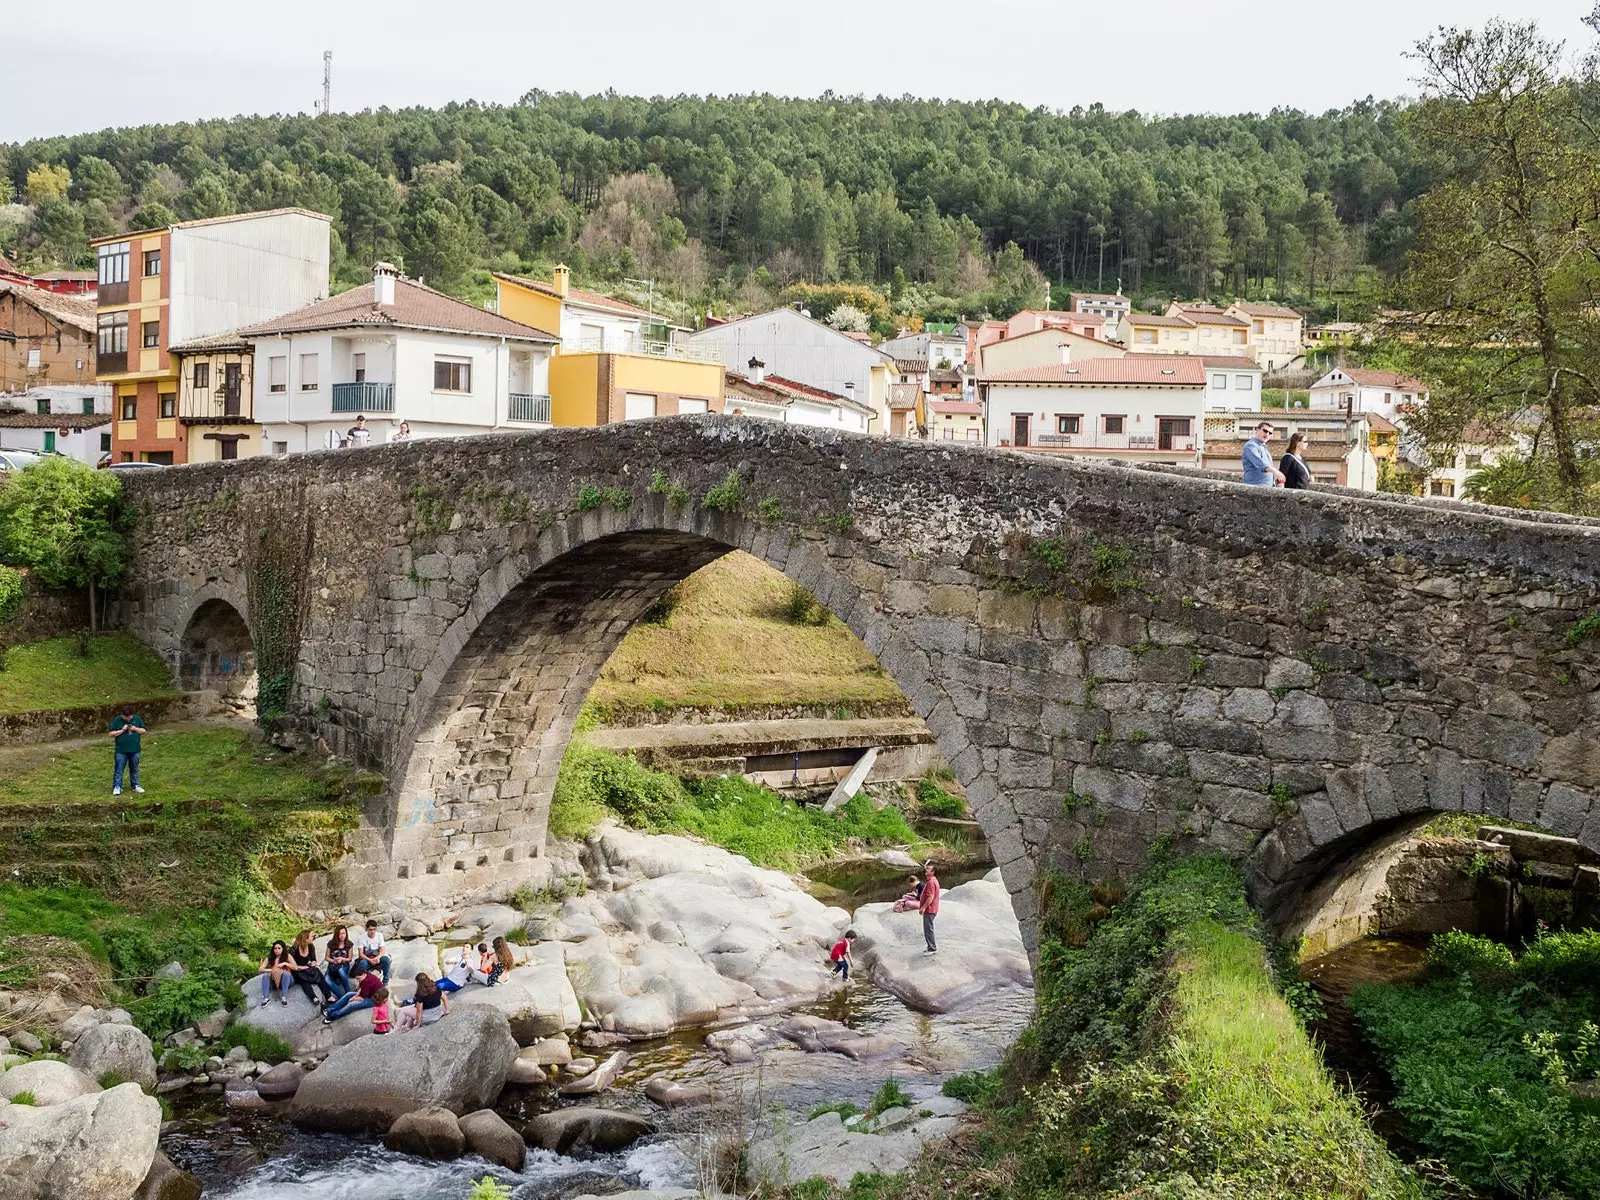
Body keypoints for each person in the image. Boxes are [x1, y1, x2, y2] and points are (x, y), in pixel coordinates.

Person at [288, 929, 337, 1006]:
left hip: (307, 967)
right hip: (297, 969)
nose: (313, 938)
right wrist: (302, 967)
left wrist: (313, 963)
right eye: (311, 936)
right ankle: (313, 997)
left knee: (319, 974)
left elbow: (313, 959)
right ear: (305, 938)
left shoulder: (311, 946)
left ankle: (328, 996)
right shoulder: (294, 949)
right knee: (303, 980)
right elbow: (291, 964)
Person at [108, 705, 148, 796]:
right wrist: (122, 730)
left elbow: (143, 731)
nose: (127, 718)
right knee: (119, 769)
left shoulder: (137, 719)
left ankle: (136, 785)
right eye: (125, 717)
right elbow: (110, 734)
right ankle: (117, 786)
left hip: (135, 749)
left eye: (129, 716)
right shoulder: (117, 720)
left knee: (134, 768)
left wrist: (134, 729)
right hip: (121, 750)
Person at [1241, 421, 1285, 487]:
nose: (1267, 434)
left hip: (1268, 487)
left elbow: (1268, 469)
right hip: (1255, 486)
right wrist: (1276, 472)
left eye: (1270, 433)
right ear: (1257, 430)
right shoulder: (1251, 446)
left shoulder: (1264, 448)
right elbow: (1260, 463)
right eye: (1265, 431)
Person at [259, 940, 294, 1006]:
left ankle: (283, 997)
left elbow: (295, 967)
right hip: (275, 980)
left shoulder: (287, 956)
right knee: (265, 975)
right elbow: (260, 969)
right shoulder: (269, 957)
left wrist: (285, 963)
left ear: (283, 949)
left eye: (279, 948)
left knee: (286, 974)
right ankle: (266, 998)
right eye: (275, 948)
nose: (276, 950)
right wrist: (271, 970)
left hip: (287, 980)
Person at [324, 925, 355, 996]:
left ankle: (348, 992)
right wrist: (333, 961)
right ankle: (341, 997)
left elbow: (349, 959)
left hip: (344, 966)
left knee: (340, 970)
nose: (342, 936)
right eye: (340, 934)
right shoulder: (331, 943)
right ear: (336, 934)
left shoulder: (349, 944)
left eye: (344, 933)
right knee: (326, 979)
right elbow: (326, 957)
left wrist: (342, 959)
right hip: (332, 966)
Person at [919, 863, 941, 955]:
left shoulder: (931, 882)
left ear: (933, 872)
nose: (926, 870)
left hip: (930, 910)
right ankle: (930, 947)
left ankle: (932, 948)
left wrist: (923, 908)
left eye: (928, 869)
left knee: (928, 929)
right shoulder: (931, 881)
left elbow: (930, 897)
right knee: (928, 928)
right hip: (931, 909)